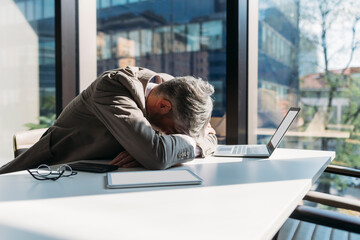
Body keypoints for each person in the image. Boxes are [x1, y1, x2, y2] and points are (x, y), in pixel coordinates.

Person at [0, 66, 217, 174]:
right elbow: (157, 156)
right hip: (48, 173)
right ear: (162, 106)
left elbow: (211, 137)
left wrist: (192, 144)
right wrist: (191, 144)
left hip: (99, 172)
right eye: (173, 132)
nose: (170, 137)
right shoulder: (114, 87)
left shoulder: (171, 91)